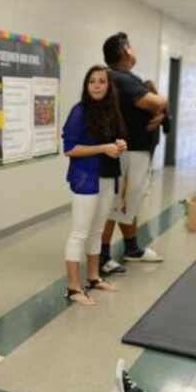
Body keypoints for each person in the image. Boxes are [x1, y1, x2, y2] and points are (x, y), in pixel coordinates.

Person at [98, 32, 166, 275]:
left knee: (129, 203)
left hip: (134, 152)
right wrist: (162, 102)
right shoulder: (120, 78)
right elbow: (155, 101)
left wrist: (159, 110)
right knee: (114, 204)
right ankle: (102, 256)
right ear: (126, 50)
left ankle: (131, 248)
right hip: (127, 153)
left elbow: (152, 106)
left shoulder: (122, 78)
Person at [62, 65, 127, 305]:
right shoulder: (79, 112)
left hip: (108, 176)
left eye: (101, 81)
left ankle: (93, 277)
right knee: (79, 232)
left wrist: (119, 145)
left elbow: (113, 141)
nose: (97, 85)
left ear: (109, 86)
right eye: (92, 82)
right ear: (86, 86)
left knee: (97, 230)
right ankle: (72, 287)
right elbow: (70, 149)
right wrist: (103, 148)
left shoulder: (112, 111)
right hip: (86, 178)